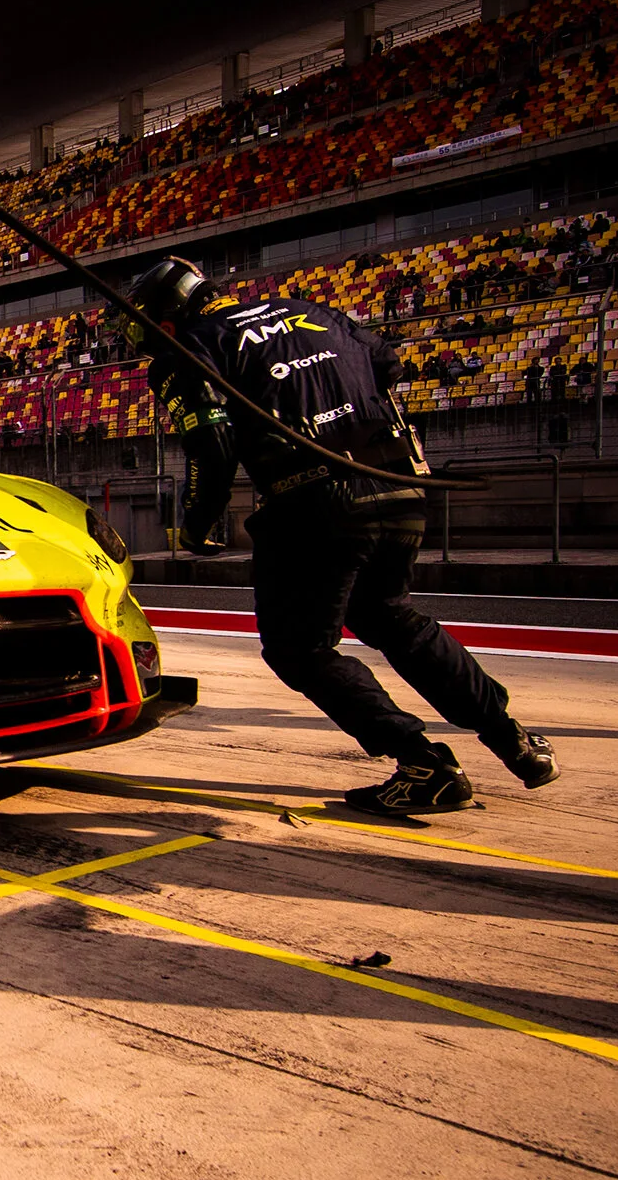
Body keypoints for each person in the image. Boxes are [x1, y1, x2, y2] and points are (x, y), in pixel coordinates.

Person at [135, 256, 557, 815]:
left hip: (317, 503)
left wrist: (195, 519)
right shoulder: (312, 311)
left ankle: (422, 765)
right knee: (393, 618)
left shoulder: (189, 347)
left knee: (299, 650)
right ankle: (513, 740)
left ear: (166, 317)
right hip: (400, 488)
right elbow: (390, 363)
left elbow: (212, 449)